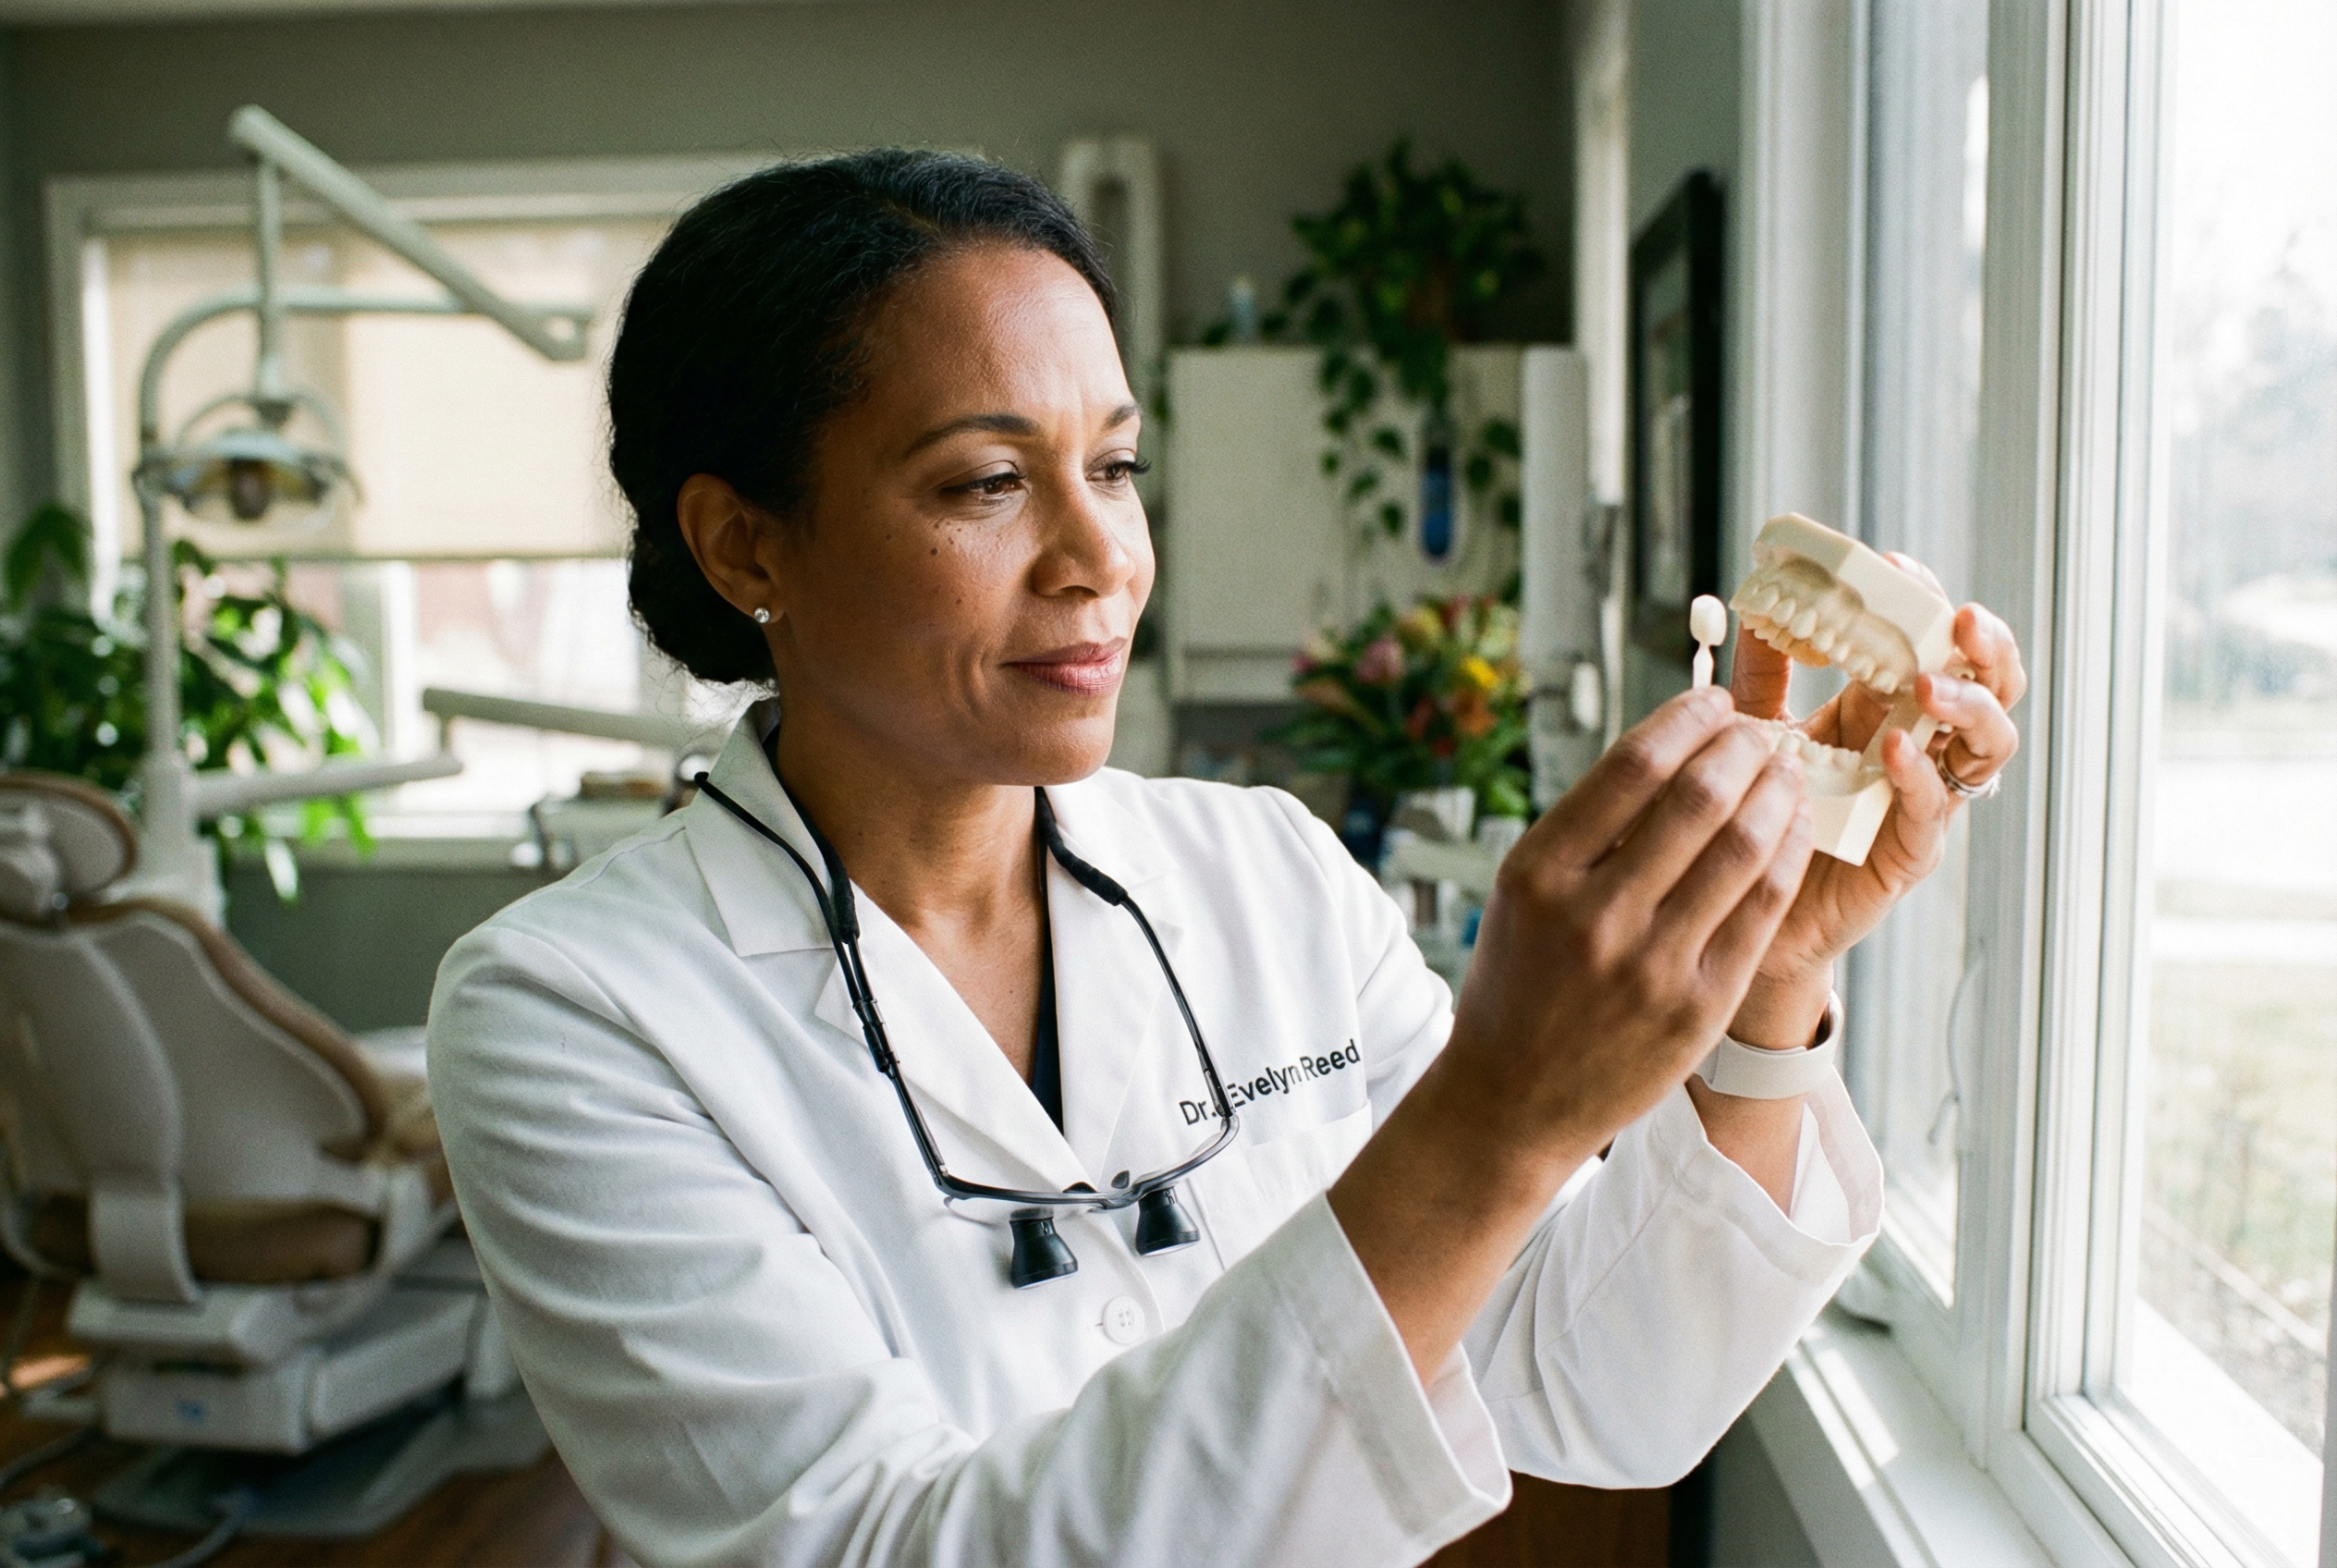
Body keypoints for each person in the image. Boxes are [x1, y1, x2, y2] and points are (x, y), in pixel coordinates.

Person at [426, 150, 2025, 1568]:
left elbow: (1597, 1385)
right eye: (987, 482)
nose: (1099, 555)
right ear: (744, 543)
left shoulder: (1261, 872)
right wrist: (1494, 1111)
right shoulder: (570, 1015)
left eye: (1114, 467)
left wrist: (1772, 981)